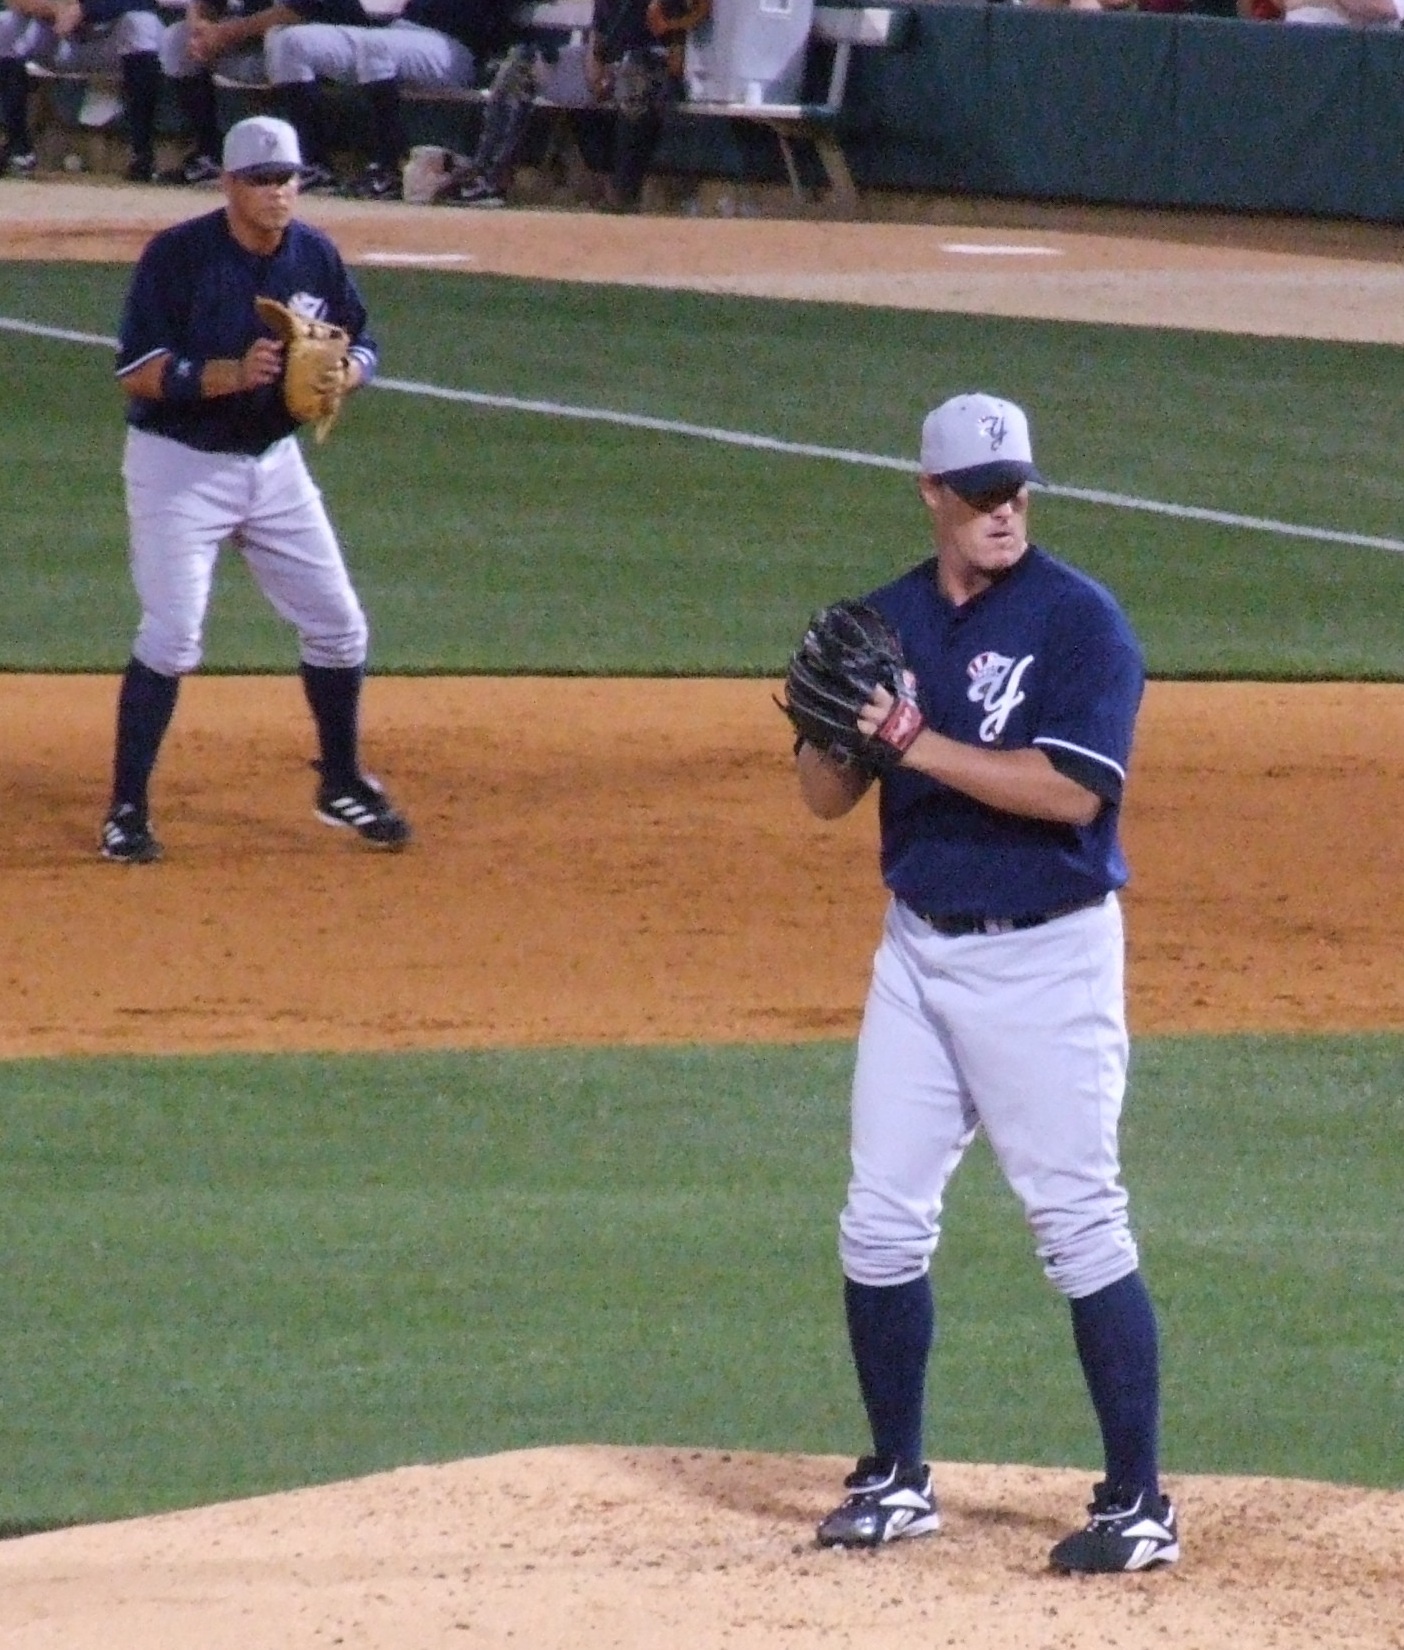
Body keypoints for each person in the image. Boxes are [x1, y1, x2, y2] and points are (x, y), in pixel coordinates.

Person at [795, 393, 1177, 1574]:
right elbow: (824, 800)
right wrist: (834, 729)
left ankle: (1138, 1505)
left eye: (1014, 490)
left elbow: (1072, 791)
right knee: (878, 1221)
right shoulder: (891, 619)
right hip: (917, 951)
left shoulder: (1080, 621)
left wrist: (912, 742)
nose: (1003, 511)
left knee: (1078, 1223)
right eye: (978, 495)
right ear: (932, 493)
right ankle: (897, 1477)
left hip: (1046, 960)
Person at [103, 113, 412, 863]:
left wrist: (350, 372)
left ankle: (340, 782)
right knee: (173, 636)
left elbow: (363, 339)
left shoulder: (314, 255)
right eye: (261, 180)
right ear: (229, 184)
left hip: (273, 466)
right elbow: (136, 371)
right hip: (178, 468)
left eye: (287, 178)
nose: (277, 192)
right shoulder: (178, 257)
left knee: (339, 627)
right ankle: (126, 811)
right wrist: (229, 375)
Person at [263, 0, 514, 199]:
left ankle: (389, 166)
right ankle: (313, 164)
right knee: (291, 43)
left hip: (453, 48)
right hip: (395, 31)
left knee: (375, 47)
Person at [155, 0, 371, 191]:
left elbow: (298, 11)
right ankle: (210, 155)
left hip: (338, 37)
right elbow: (205, 5)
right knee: (177, 38)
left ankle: (313, 162)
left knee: (287, 42)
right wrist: (200, 31)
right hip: (263, 42)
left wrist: (224, 34)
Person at [0, 0, 163, 179]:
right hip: (56, 38)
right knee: (5, 24)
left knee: (142, 23)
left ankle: (141, 155)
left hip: (111, 43)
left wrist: (86, 8)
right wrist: (53, 7)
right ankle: (19, 150)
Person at [578, 0, 707, 212]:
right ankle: (608, 188)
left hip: (656, 70)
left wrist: (671, 25)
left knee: (636, 84)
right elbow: (597, 44)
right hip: (619, 72)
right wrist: (598, 76)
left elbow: (676, 59)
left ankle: (622, 194)